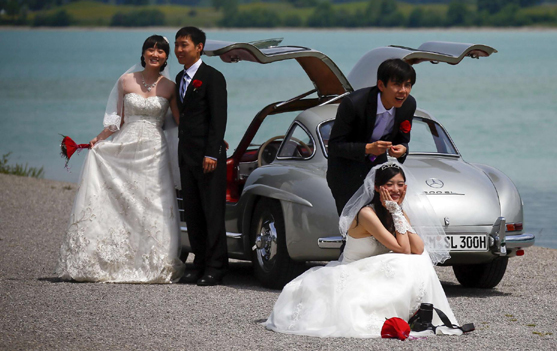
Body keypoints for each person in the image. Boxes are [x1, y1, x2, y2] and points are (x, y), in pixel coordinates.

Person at [265, 161, 462, 338]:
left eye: (400, 184)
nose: (396, 189)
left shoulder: (396, 212)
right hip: (354, 271)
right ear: (377, 188)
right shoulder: (367, 213)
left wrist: (398, 213)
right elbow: (403, 248)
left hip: (373, 271)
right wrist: (395, 211)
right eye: (389, 184)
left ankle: (419, 314)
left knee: (419, 258)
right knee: (404, 260)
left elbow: (417, 249)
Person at [56, 35, 185, 283]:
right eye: (151, 49)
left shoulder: (169, 87)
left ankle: (152, 260)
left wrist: (210, 138)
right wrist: (98, 138)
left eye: (160, 51)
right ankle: (113, 258)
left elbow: (180, 122)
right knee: (122, 201)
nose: (155, 54)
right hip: (126, 145)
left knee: (153, 202)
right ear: (144, 53)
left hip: (153, 150)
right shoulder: (126, 81)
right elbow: (119, 120)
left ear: (166, 57)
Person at [327, 58, 417, 214]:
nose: (403, 91)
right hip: (346, 175)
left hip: (380, 175)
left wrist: (402, 149)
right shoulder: (353, 103)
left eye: (407, 85)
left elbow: (403, 140)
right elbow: (335, 146)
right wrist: (368, 148)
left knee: (383, 223)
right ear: (381, 85)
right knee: (354, 228)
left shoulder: (408, 105)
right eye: (397, 84)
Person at [174, 27, 228, 286]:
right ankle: (199, 263)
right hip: (186, 157)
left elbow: (219, 119)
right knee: (193, 213)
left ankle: (216, 267)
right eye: (177, 45)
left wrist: (212, 153)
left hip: (209, 159)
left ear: (199, 47)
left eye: (184, 45)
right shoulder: (179, 78)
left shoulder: (213, 77)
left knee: (212, 212)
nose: (179, 50)